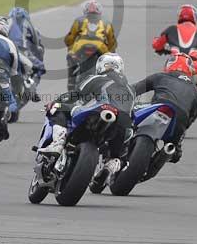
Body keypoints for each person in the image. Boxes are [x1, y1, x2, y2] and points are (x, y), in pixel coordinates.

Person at [38, 52, 134, 186]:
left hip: (97, 111)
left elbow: (75, 94)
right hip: (122, 123)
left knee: (57, 106)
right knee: (123, 146)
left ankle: (58, 143)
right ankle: (112, 163)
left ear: (100, 66)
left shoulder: (96, 78)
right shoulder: (130, 89)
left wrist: (56, 101)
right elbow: (132, 114)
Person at [132, 49, 197, 163]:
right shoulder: (194, 89)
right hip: (180, 121)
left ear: (169, 64)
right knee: (174, 153)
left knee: (128, 121)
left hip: (159, 107)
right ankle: (174, 148)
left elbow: (133, 90)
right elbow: (192, 116)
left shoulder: (160, 76)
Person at [151, 4, 197, 116]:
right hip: (192, 66)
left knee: (161, 81)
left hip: (173, 64)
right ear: (194, 16)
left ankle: (155, 103)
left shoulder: (170, 29)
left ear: (180, 16)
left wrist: (162, 48)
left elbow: (157, 45)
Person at [64, 0, 117, 87]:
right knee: (108, 62)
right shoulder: (106, 22)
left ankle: (71, 82)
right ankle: (107, 82)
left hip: (80, 45)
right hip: (101, 47)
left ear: (85, 11)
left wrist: (69, 46)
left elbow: (70, 37)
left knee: (70, 57)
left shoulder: (79, 20)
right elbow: (111, 40)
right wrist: (112, 52)